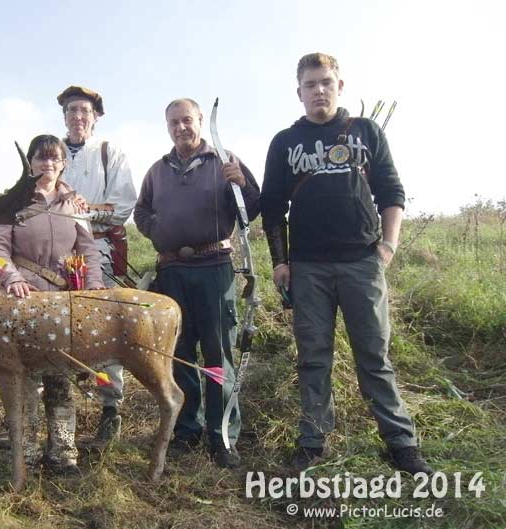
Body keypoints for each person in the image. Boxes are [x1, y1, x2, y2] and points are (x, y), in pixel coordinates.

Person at [259, 52, 433, 475]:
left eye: (326, 82)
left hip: (361, 263)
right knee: (313, 358)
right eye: (310, 84)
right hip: (309, 268)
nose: (319, 90)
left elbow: (392, 192)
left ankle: (401, 445)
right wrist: (281, 262)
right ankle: (312, 442)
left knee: (374, 357)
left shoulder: (366, 132)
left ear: (340, 86)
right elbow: (271, 207)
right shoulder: (285, 141)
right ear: (298, 92)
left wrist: (387, 247)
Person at [134, 98, 260, 469]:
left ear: (200, 121)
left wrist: (243, 186)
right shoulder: (157, 170)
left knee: (217, 354)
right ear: (167, 126)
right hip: (172, 272)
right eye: (173, 122)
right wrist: (157, 229)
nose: (180, 127)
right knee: (180, 354)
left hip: (214, 268)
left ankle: (223, 436)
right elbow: (141, 211)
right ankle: (188, 429)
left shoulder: (223, 159)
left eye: (187, 120)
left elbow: (251, 208)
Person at [0, 134, 105, 473]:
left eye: (54, 158)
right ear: (30, 163)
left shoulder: (75, 205)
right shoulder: (11, 203)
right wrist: (11, 279)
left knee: (61, 377)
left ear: (63, 163)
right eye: (40, 158)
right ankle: (26, 450)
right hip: (23, 302)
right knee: (25, 379)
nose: (47, 164)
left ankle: (64, 452)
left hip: (64, 304)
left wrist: (93, 288)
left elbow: (89, 251)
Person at [56, 85, 137, 445]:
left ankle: (110, 408)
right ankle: (57, 410)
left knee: (103, 330)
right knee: (55, 328)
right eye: (72, 111)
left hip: (97, 254)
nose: (78, 118)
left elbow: (121, 206)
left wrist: (78, 213)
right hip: (53, 258)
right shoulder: (49, 152)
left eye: (85, 112)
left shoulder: (109, 153)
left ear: (96, 118)